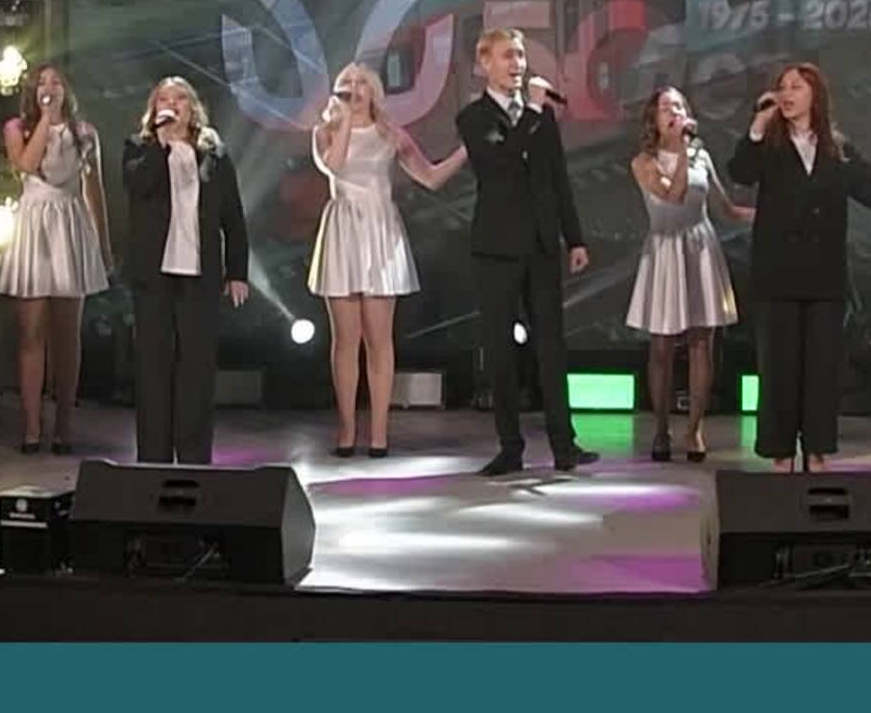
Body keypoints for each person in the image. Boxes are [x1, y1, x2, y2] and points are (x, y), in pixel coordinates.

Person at [725, 63, 871, 471]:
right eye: (782, 87)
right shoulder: (768, 146)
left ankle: (817, 449)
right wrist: (758, 126)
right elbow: (739, 173)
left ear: (815, 95)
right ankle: (780, 451)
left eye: (796, 87)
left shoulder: (838, 148)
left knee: (821, 367)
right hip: (778, 273)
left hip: (824, 274)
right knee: (778, 367)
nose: (787, 94)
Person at [452, 29, 596, 477]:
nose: (517, 64)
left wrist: (574, 237)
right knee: (500, 348)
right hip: (496, 248)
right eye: (507, 56)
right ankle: (510, 447)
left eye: (520, 55)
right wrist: (532, 111)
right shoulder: (473, 118)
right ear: (485, 64)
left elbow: (557, 178)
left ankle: (564, 444)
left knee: (551, 346)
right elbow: (501, 164)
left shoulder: (541, 115)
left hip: (541, 245)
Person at [308, 63, 446, 458]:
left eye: (361, 83)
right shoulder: (324, 132)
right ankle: (347, 431)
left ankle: (380, 434)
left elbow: (430, 177)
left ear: (374, 91)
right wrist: (344, 120)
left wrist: (467, 151)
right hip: (344, 229)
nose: (354, 88)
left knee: (379, 340)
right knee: (345, 340)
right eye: (346, 83)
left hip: (380, 231)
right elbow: (334, 165)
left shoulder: (390, 133)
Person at [121, 77, 250, 464]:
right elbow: (138, 186)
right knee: (153, 368)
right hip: (153, 276)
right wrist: (161, 145)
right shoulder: (139, 147)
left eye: (179, 98)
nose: (172, 104)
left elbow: (233, 216)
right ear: (153, 108)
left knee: (197, 369)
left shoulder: (214, 153)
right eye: (164, 98)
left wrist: (237, 271)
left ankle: (195, 458)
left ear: (192, 107)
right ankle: (154, 459)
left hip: (199, 274)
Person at [626, 86, 752, 461]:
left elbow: (726, 209)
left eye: (680, 106)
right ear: (654, 119)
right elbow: (673, 195)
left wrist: (774, 213)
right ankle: (661, 429)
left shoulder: (702, 157)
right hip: (665, 250)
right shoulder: (643, 162)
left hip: (699, 248)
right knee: (662, 346)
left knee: (702, 342)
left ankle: (695, 429)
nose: (675, 113)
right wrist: (682, 151)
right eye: (667, 107)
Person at [0, 64, 110, 454]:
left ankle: (65, 425)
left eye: (57, 81)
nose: (50, 87)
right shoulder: (17, 128)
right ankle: (31, 427)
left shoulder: (85, 133)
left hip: (69, 224)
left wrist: (103, 246)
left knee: (67, 335)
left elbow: (95, 190)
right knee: (32, 333)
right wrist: (46, 119)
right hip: (34, 225)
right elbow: (27, 164)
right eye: (42, 82)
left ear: (67, 89)